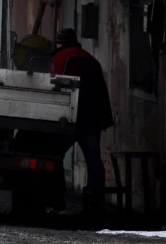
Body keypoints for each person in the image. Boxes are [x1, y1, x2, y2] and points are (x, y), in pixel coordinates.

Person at [51, 27, 115, 211]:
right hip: (92, 120)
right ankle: (95, 201)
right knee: (93, 158)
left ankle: (57, 198)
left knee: (55, 156)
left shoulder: (61, 58)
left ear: (60, 43)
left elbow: (55, 89)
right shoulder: (91, 60)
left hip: (68, 119)